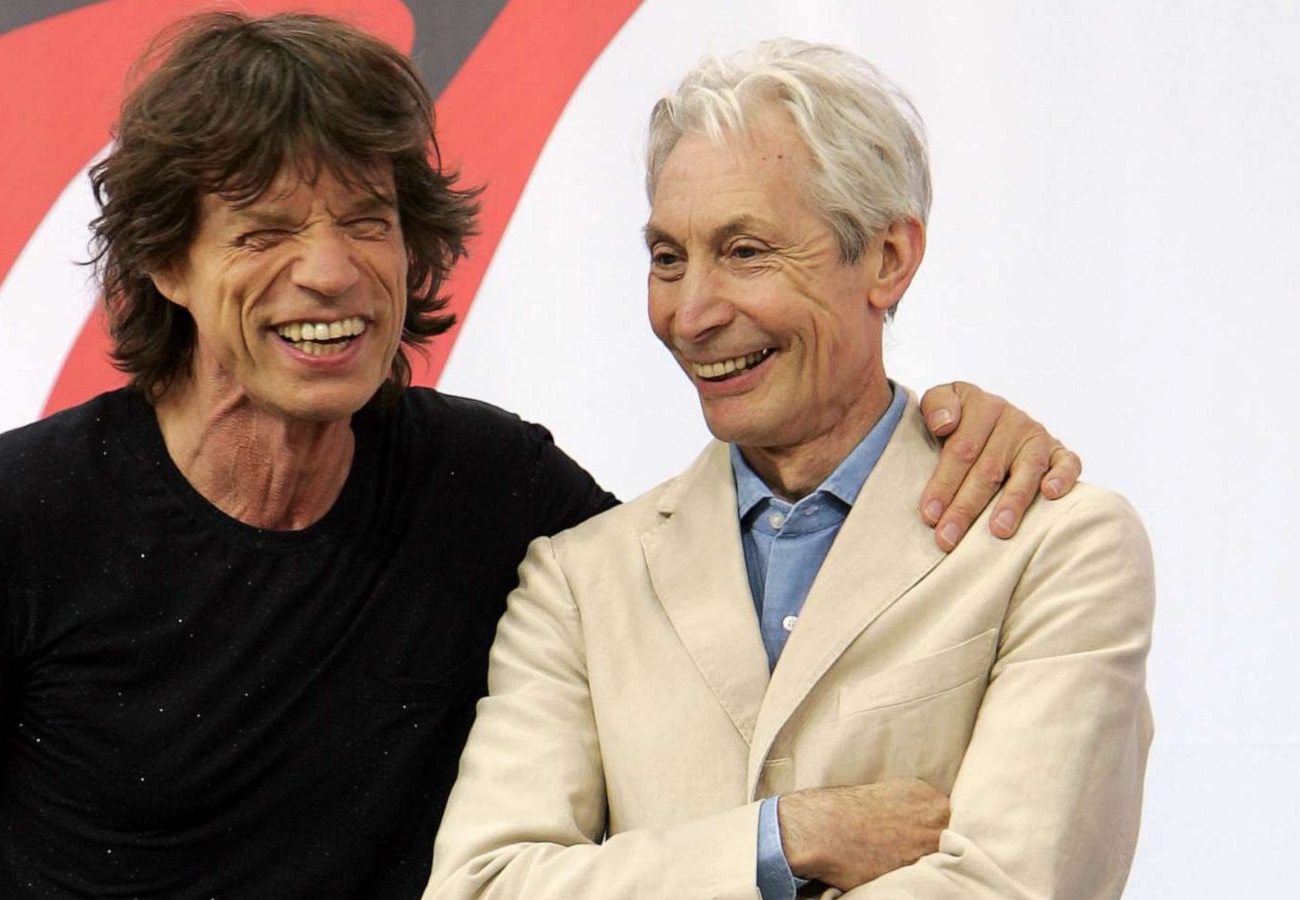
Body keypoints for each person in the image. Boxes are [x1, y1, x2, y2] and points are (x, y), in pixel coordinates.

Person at [0, 14, 1083, 899]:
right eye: (264, 230)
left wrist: (947, 427)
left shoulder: (493, 491)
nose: (329, 271)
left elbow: (736, 550)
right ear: (166, 263)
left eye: (367, 221)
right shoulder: (7, 517)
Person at [425, 38, 1153, 900]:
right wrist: (784, 840)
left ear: (888, 259)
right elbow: (482, 887)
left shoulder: (1058, 546)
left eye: (745, 251)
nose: (691, 314)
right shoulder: (578, 582)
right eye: (667, 258)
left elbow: (1008, 887)